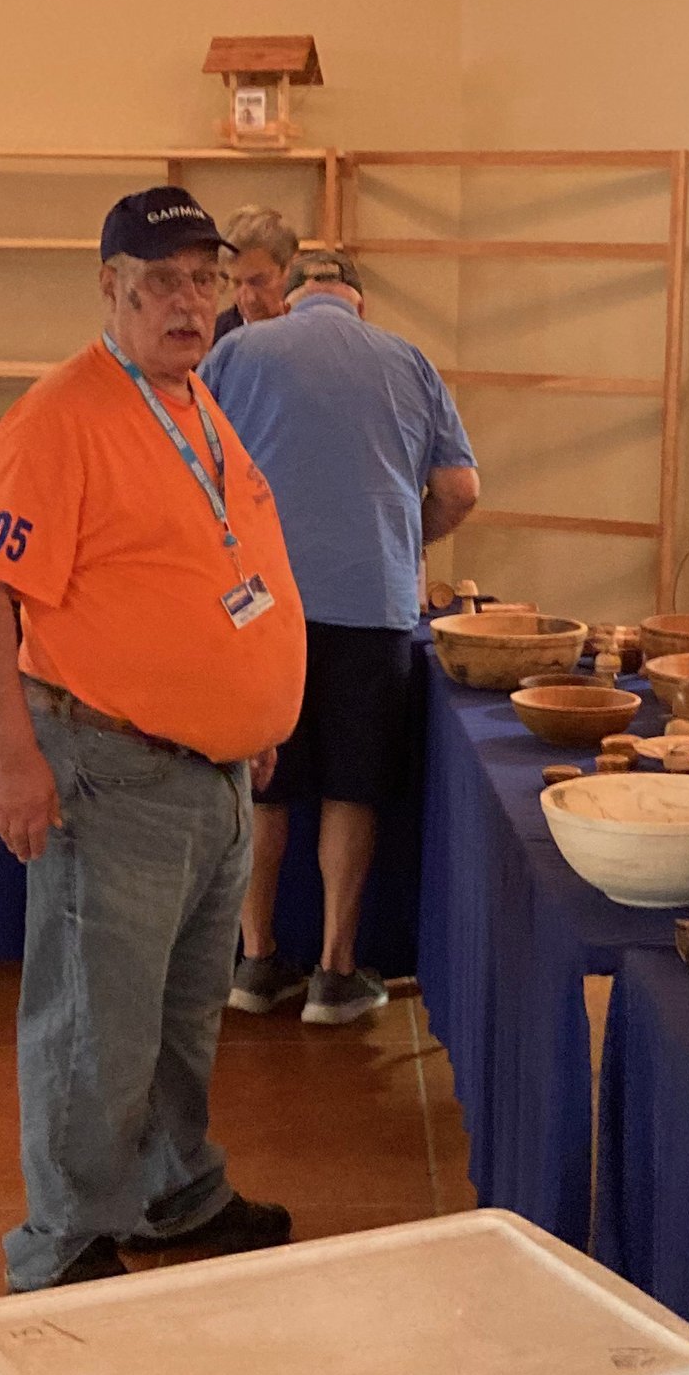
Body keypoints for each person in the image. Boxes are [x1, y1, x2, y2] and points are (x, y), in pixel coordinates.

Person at [0, 185, 308, 1290]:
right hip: (109, 774)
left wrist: (247, 716)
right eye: (160, 283)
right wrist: (12, 761)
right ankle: (63, 1241)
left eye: (204, 279)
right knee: (94, 1029)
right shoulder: (60, 418)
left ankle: (171, 1192)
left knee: (181, 1020)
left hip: (210, 780)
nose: (189, 302)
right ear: (110, 289)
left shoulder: (193, 400)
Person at [203, 252, 478, 1026]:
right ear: (359, 302)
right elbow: (460, 488)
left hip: (258, 603)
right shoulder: (409, 359)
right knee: (352, 787)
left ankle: (255, 962)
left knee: (263, 781)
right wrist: (404, 537)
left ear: (290, 297)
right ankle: (335, 972)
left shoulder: (236, 351)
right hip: (371, 601)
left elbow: (190, 468)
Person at [208, 205, 302, 342]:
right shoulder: (214, 339)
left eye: (259, 281)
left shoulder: (314, 332)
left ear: (289, 269)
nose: (249, 299)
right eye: (237, 283)